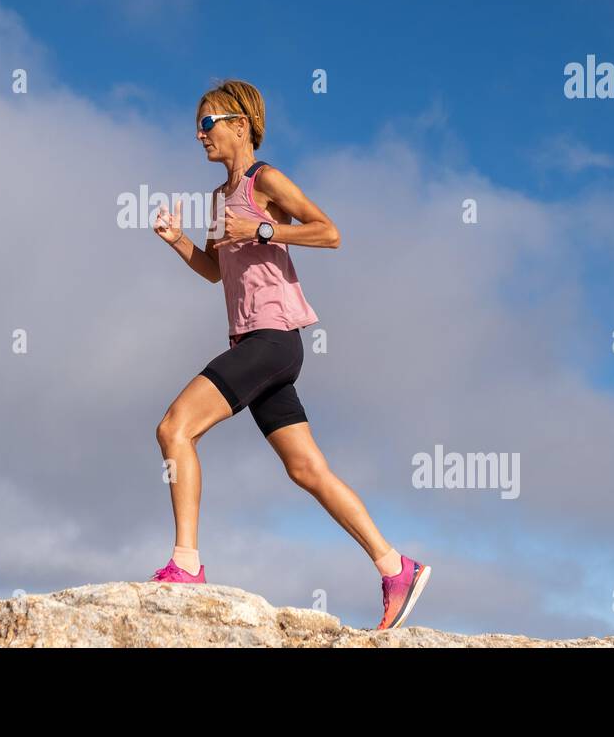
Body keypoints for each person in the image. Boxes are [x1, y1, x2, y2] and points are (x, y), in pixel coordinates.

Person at [150, 78, 431, 630]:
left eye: (207, 123)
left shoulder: (265, 181)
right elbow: (214, 272)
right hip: (253, 345)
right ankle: (395, 566)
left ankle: (186, 564)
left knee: (175, 429)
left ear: (239, 125)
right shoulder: (215, 199)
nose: (199, 134)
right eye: (196, 127)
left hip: (273, 340)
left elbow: (329, 233)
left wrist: (262, 225)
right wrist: (179, 240)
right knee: (306, 469)